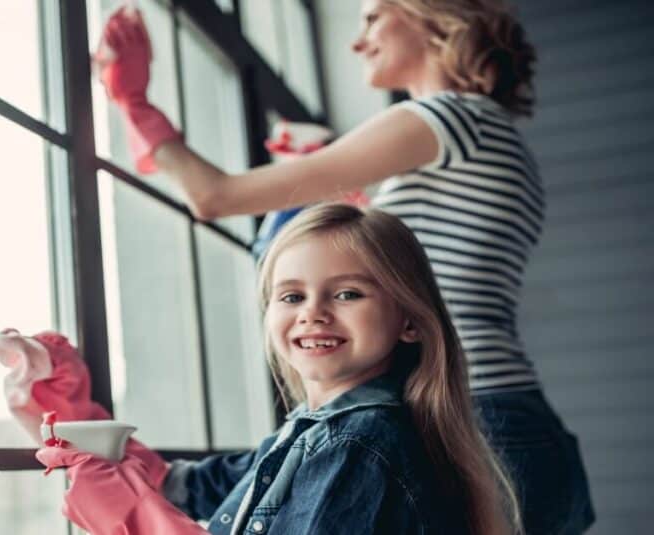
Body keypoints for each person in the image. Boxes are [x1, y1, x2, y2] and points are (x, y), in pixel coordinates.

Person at [92, 1, 594, 533]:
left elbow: (215, 195)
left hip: (474, 418)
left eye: (374, 16)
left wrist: (136, 105)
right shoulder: (495, 140)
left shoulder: (445, 116)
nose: (358, 42)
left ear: (437, 14)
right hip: (511, 419)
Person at [37, 204, 520, 534]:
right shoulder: (308, 435)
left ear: (410, 320)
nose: (313, 312)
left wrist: (137, 516)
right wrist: (72, 411)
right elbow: (191, 485)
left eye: (347, 293)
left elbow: (158, 493)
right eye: (291, 296)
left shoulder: (357, 446)